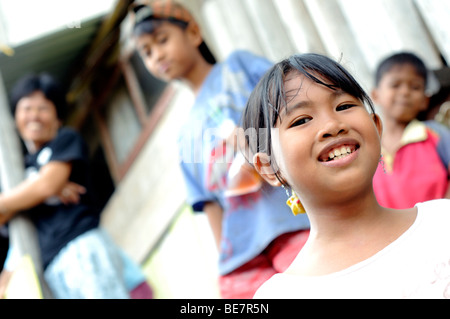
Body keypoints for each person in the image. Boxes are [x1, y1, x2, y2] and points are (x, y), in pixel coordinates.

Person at [129, 0, 310, 298]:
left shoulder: (239, 67)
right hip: (245, 259)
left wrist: (256, 134)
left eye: (162, 40)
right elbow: (210, 206)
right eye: (147, 52)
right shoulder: (184, 136)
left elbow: (293, 104)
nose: (157, 55)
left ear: (194, 33)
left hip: (294, 220)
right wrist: (225, 265)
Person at [241, 53, 450, 298]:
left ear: (376, 126)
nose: (332, 125)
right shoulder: (284, 294)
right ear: (269, 168)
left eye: (344, 106)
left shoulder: (442, 222)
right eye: (301, 120)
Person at [0, 73, 152, 299]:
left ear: (58, 117)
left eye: (43, 108)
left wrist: (39, 190)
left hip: (80, 247)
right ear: (15, 118)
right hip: (52, 268)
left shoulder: (65, 140)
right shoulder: (20, 173)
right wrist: (36, 188)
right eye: (27, 108)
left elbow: (47, 185)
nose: (34, 115)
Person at [371, 52, 450, 209]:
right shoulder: (369, 149)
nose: (405, 92)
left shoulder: (435, 135)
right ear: (376, 95)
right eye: (395, 85)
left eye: (415, 87)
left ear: (424, 101)